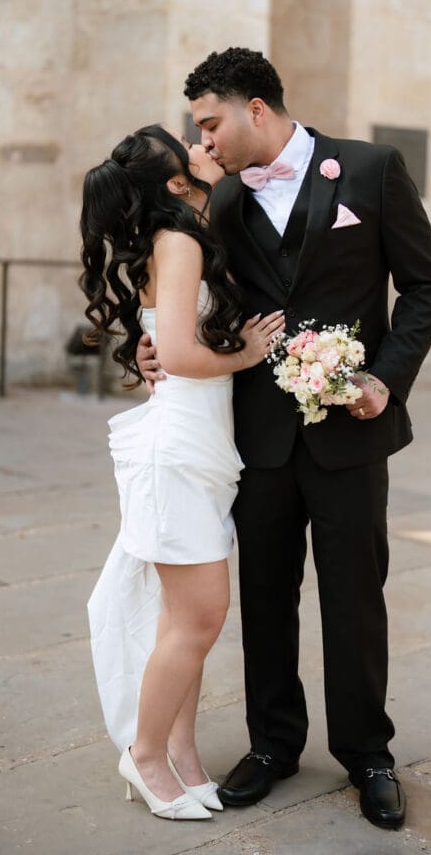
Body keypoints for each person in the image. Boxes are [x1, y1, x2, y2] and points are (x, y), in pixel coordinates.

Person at [137, 49, 431, 830]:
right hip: (260, 437)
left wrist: (384, 377)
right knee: (265, 601)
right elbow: (196, 297)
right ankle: (273, 745)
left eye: (210, 123)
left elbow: (424, 286)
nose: (202, 141)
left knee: (354, 598)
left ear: (257, 110)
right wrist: (151, 345)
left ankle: (367, 753)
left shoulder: (371, 169)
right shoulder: (223, 201)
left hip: (352, 432)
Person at [79, 124, 285, 821]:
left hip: (197, 442)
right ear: (174, 183)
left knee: (183, 620)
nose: (203, 147)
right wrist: (249, 353)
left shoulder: (181, 236)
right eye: (188, 147)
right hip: (180, 449)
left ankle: (184, 754)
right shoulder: (180, 242)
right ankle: (142, 756)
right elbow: (181, 354)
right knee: (199, 619)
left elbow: (160, 348)